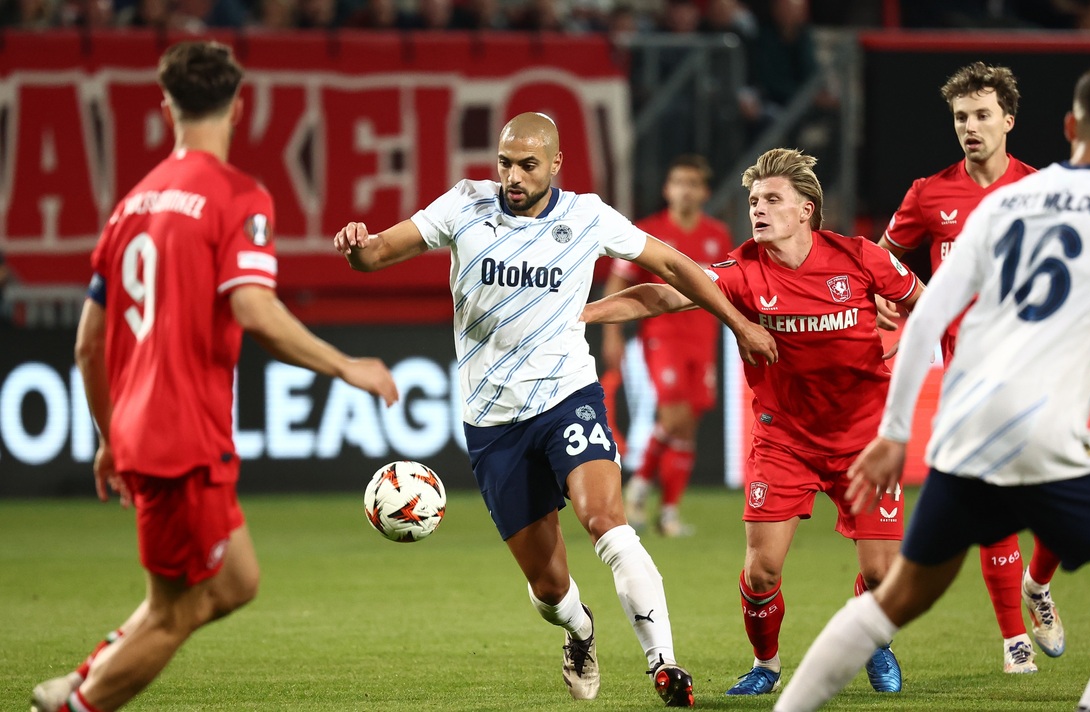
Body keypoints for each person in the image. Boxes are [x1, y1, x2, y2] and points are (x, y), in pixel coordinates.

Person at [772, 63, 1090, 712]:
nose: (969, 127)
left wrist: (893, 435)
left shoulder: (1007, 200)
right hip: (1045, 433)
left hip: (961, 432)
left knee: (894, 603)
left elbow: (920, 321)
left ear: (1067, 126)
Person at [333, 111, 777, 707]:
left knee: (606, 520)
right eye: (505, 162)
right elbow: (379, 253)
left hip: (568, 395)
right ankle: (581, 629)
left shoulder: (587, 215)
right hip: (493, 424)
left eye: (527, 165)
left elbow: (672, 265)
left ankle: (664, 662)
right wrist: (357, 247)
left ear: (556, 164)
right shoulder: (464, 205)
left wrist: (739, 324)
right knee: (548, 586)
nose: (512, 175)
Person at [29, 41, 399, 712]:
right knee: (174, 613)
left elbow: (88, 344)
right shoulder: (238, 197)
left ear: (164, 105)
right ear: (240, 106)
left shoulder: (130, 207)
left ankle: (83, 680)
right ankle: (74, 704)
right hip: (182, 438)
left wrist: (110, 436)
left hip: (144, 431)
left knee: (236, 581)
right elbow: (254, 308)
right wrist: (346, 365)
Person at [582, 148, 923, 697]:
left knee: (884, 577)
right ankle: (766, 666)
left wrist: (910, 337)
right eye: (753, 201)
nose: (758, 210)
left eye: (771, 200)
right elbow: (662, 294)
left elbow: (926, 306)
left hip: (865, 441)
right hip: (785, 440)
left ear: (807, 209)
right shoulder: (742, 271)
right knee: (762, 572)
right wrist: (584, 313)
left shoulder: (860, 257)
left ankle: (874, 643)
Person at [877, 60, 1066, 674]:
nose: (970, 126)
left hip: (1039, 368)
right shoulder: (928, 193)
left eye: (982, 115)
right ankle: (1014, 640)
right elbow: (882, 260)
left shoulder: (1040, 191)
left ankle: (1038, 587)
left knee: (1066, 503)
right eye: (961, 117)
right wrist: (880, 299)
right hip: (969, 380)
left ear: (1008, 120)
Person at [602, 154, 733, 537]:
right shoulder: (647, 232)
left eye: (693, 183)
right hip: (662, 336)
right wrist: (612, 332)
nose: (685, 190)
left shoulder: (718, 235)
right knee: (674, 417)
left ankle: (669, 513)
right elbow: (617, 281)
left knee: (687, 426)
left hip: (703, 337)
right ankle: (640, 487)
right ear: (667, 189)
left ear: (704, 192)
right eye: (679, 182)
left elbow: (728, 284)